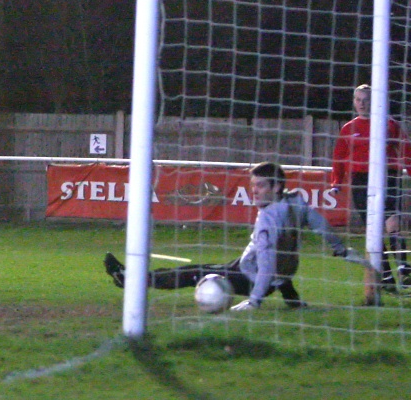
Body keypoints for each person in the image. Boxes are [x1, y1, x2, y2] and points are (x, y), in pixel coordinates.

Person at [104, 162, 366, 311]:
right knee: (275, 263)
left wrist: (254, 302)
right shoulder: (296, 202)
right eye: (252, 186)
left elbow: (265, 267)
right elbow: (320, 223)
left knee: (193, 272)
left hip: (250, 278)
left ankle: (130, 280)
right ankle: (294, 301)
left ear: (276, 187)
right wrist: (340, 249)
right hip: (280, 275)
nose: (254, 191)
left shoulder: (267, 220)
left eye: (260, 185)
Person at [330, 84, 411, 290]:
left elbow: (406, 150)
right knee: (372, 229)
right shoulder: (348, 128)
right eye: (358, 100)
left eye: (366, 99)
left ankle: (404, 268)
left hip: (387, 176)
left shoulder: (389, 124)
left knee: (392, 222)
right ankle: (386, 277)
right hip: (360, 179)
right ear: (354, 102)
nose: (362, 104)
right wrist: (336, 182)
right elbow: (339, 158)